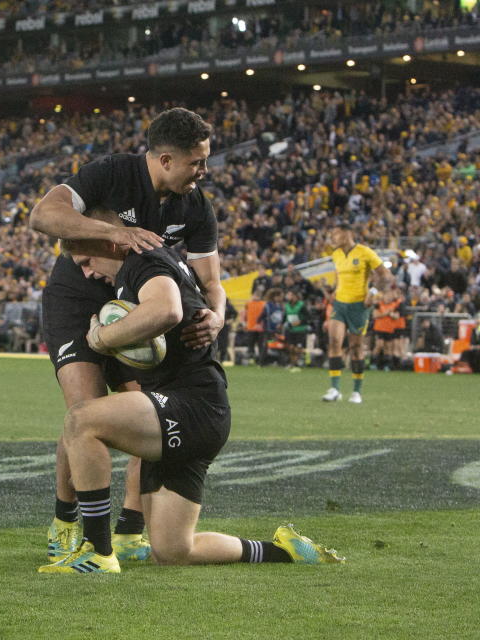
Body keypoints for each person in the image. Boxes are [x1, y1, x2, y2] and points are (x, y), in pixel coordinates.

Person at [38, 210, 343, 573]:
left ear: (110, 241)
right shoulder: (138, 268)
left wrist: (102, 339)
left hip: (191, 404)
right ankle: (284, 550)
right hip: (190, 411)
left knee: (82, 420)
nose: (87, 272)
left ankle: (97, 552)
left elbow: (166, 309)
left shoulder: (141, 261)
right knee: (172, 551)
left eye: (87, 261)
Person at [30, 108, 226, 563]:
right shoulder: (112, 173)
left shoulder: (195, 206)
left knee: (146, 402)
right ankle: (66, 521)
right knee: (86, 410)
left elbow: (212, 282)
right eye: (196, 162)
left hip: (133, 296)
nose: (204, 171)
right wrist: (113, 234)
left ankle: (129, 531)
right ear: (163, 160)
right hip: (78, 297)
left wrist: (216, 317)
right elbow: (43, 215)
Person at [321, 222, 393, 404]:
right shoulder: (336, 255)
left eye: (335, 234)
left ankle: (356, 391)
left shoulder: (365, 252)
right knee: (335, 341)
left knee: (355, 347)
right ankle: (335, 389)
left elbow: (385, 276)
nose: (332, 238)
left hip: (359, 306)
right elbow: (340, 276)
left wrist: (373, 293)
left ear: (346, 234)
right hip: (340, 304)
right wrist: (335, 292)